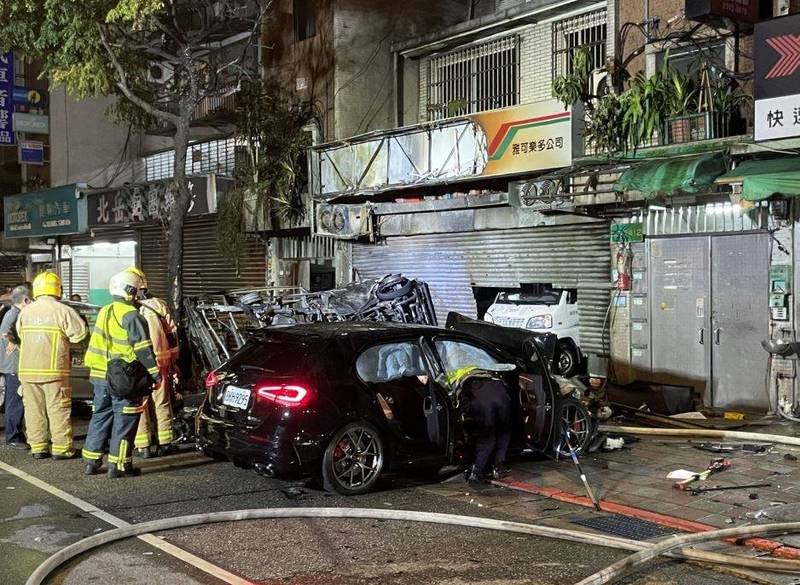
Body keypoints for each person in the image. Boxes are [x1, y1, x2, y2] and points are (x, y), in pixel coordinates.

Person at [82, 270, 160, 478]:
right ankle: (118, 466)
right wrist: (156, 375)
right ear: (131, 290)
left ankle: (91, 461)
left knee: (100, 416)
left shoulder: (105, 311)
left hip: (100, 376)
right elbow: (144, 350)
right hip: (125, 378)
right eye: (137, 291)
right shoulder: (132, 315)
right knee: (125, 421)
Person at [17, 272, 88, 459]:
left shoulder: (26, 311)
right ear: (58, 289)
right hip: (53, 370)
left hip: (27, 371)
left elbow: (19, 333)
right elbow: (79, 335)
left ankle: (38, 448)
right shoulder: (62, 310)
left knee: (33, 410)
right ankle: (62, 449)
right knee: (58, 409)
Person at [124, 267, 179, 458]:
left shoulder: (128, 308)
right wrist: (173, 360)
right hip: (161, 361)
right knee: (162, 402)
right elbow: (172, 335)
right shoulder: (159, 305)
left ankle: (143, 446)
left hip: (138, 363)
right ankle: (165, 443)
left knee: (141, 404)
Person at [1, 284, 32, 449]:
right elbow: (6, 334)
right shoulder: (14, 315)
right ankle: (13, 436)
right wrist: (18, 344)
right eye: (32, 299)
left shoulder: (14, 313)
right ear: (26, 300)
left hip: (14, 365)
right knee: (15, 402)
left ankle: (16, 434)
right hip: (14, 367)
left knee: (16, 401)